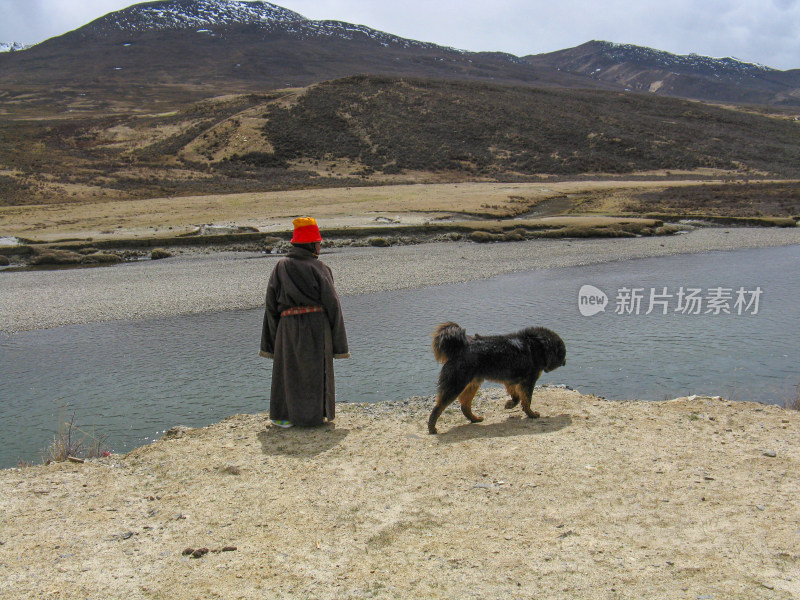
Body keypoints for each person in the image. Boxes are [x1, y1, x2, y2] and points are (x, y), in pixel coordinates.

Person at [260, 217, 349, 428]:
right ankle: (314, 417)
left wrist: (272, 341)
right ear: (310, 244)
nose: (320, 246)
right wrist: (339, 345)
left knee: (287, 371)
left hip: (286, 329)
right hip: (317, 327)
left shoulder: (280, 266)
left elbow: (271, 305)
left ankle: (284, 417)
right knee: (315, 373)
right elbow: (333, 306)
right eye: (318, 242)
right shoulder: (320, 268)